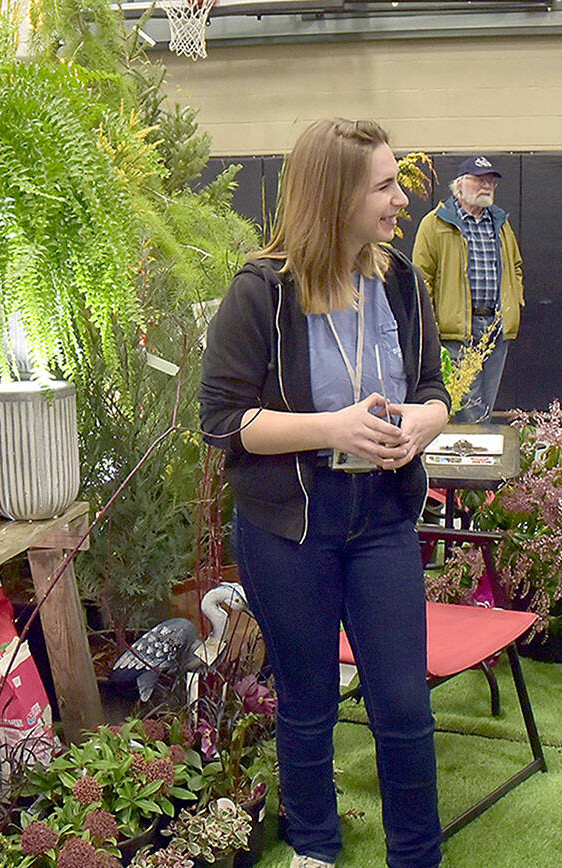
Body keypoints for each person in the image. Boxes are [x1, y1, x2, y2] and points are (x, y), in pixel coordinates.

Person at [200, 118, 450, 868]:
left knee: (404, 704)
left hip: (381, 520)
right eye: (383, 185)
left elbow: (434, 390)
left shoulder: (400, 280)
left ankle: (418, 857)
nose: (401, 198)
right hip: (289, 528)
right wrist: (331, 426)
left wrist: (418, 427)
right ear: (335, 195)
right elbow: (223, 423)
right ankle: (314, 850)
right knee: (306, 705)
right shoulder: (260, 291)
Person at [412, 154, 524, 422]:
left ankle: (477, 457)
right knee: (468, 406)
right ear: (459, 185)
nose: (486, 186)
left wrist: (514, 303)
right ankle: (472, 460)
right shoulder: (435, 223)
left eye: (490, 182)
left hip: (495, 327)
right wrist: (432, 325)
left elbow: (516, 266)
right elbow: (421, 277)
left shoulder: (500, 223)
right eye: (478, 180)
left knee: (487, 399)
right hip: (457, 329)